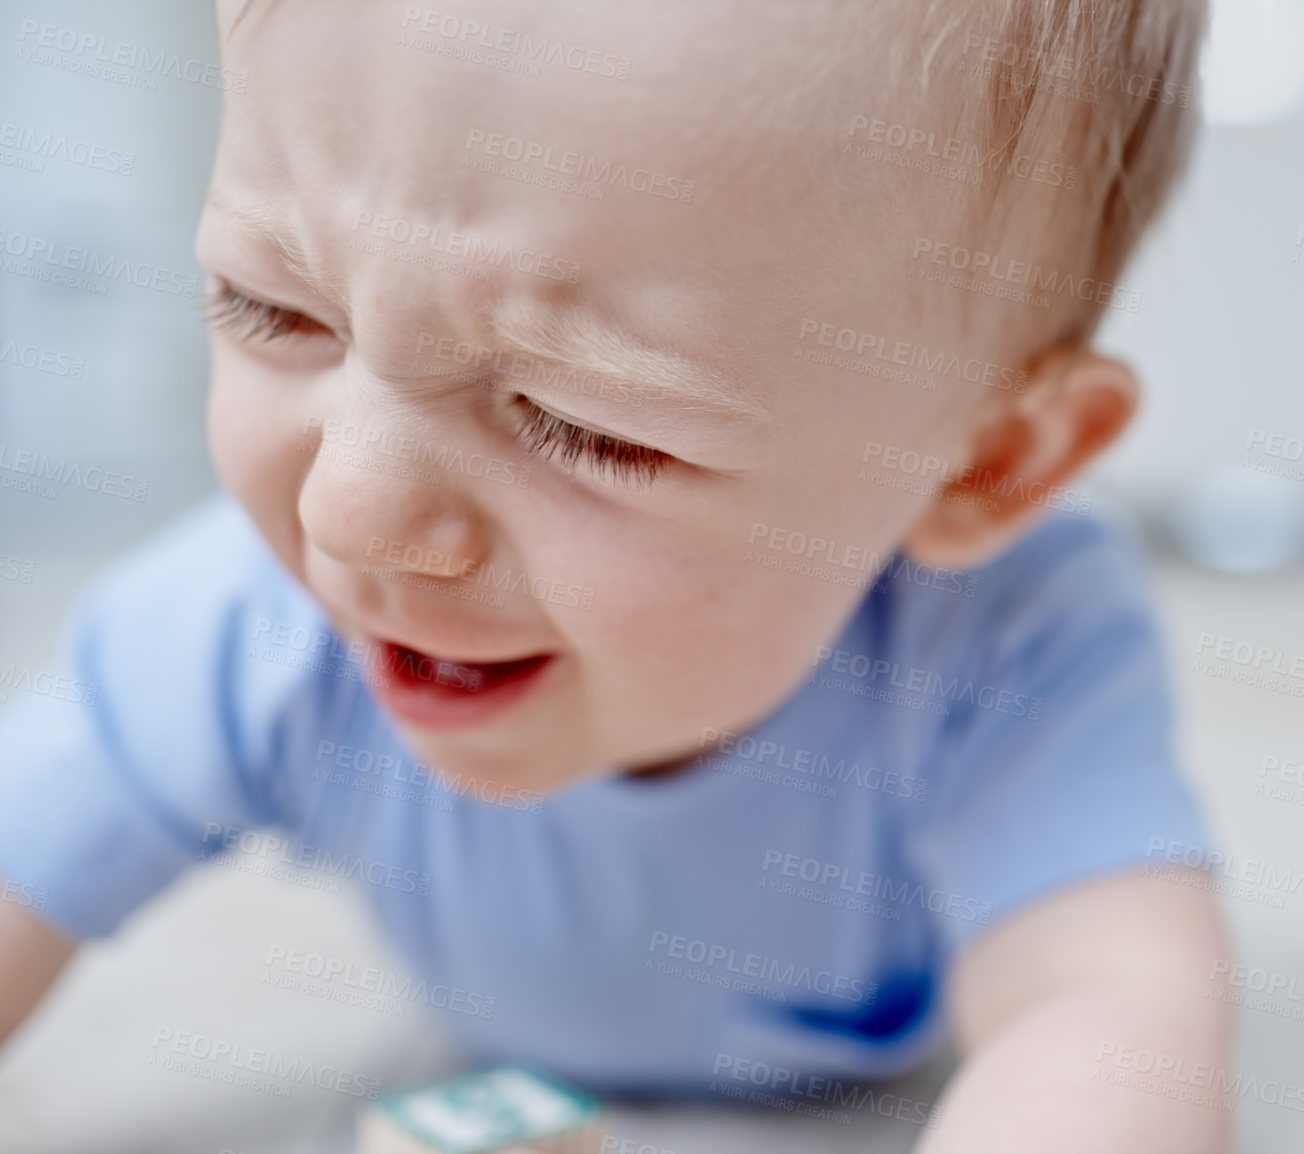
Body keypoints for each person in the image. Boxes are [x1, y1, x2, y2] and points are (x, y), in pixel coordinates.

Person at [0, 1, 1230, 1149]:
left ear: (985, 464)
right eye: (273, 310)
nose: (352, 514)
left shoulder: (1011, 632)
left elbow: (1111, 1005)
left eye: (580, 422)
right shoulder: (244, 618)